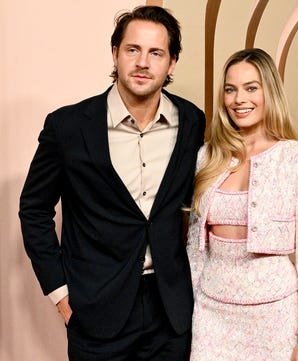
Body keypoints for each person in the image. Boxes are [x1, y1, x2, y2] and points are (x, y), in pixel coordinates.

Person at [19, 5, 205, 361]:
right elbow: (34, 209)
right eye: (132, 50)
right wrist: (60, 293)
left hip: (170, 312)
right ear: (115, 54)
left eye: (156, 53)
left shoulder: (193, 121)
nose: (143, 62)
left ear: (172, 62)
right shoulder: (68, 127)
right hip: (96, 310)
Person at [186, 48, 298, 361]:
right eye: (231, 89)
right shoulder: (207, 156)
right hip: (212, 312)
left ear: (269, 92)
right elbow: (196, 248)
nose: (239, 99)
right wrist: (190, 310)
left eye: (251, 88)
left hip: (275, 314)